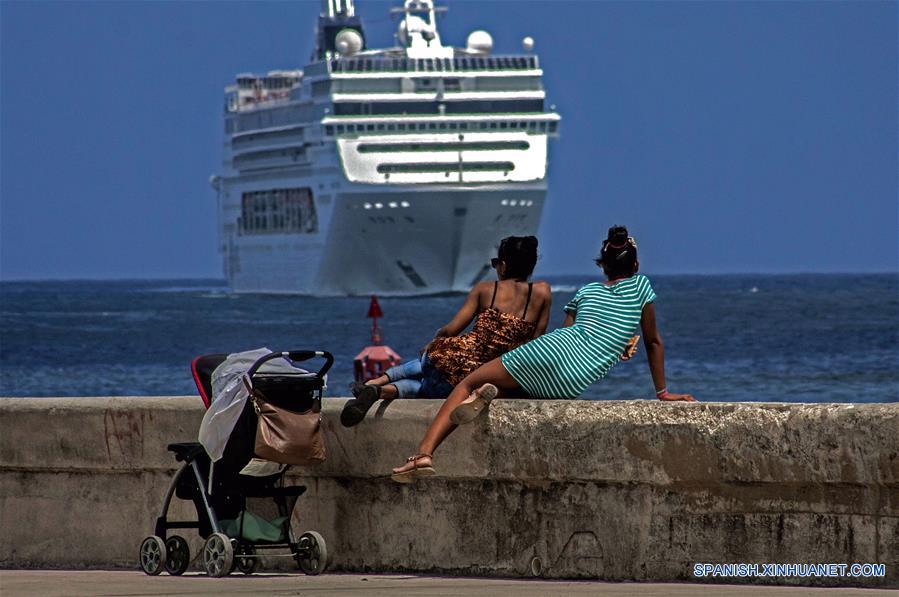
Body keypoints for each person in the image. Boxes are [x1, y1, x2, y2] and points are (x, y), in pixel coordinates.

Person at [391, 225, 695, 482]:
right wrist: (663, 392)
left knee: (468, 382)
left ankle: (423, 454)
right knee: (528, 393)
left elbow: (567, 336)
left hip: (551, 351)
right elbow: (653, 341)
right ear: (636, 266)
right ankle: (490, 395)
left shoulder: (587, 292)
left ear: (602, 265)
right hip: (573, 381)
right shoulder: (642, 286)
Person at [339, 236, 553, 427]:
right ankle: (380, 392)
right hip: (481, 377)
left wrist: (434, 342)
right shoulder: (542, 292)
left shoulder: (486, 289)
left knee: (432, 359)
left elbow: (452, 329)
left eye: (496, 263)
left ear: (503, 265)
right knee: (423, 390)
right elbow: (536, 341)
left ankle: (375, 384)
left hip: (451, 360)